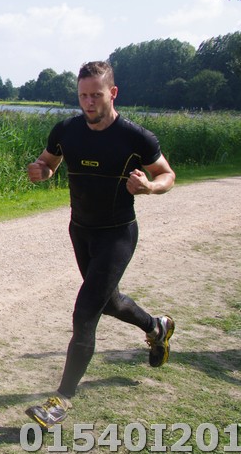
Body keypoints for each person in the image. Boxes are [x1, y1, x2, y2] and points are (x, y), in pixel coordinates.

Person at [24, 60, 177, 428]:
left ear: (113, 93)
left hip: (117, 234)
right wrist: (41, 171)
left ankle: (61, 400)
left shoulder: (136, 137)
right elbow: (49, 163)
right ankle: (156, 327)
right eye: (82, 96)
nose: (88, 102)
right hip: (81, 230)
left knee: (85, 312)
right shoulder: (67, 130)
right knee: (109, 302)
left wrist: (150, 186)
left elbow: (167, 174)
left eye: (95, 95)